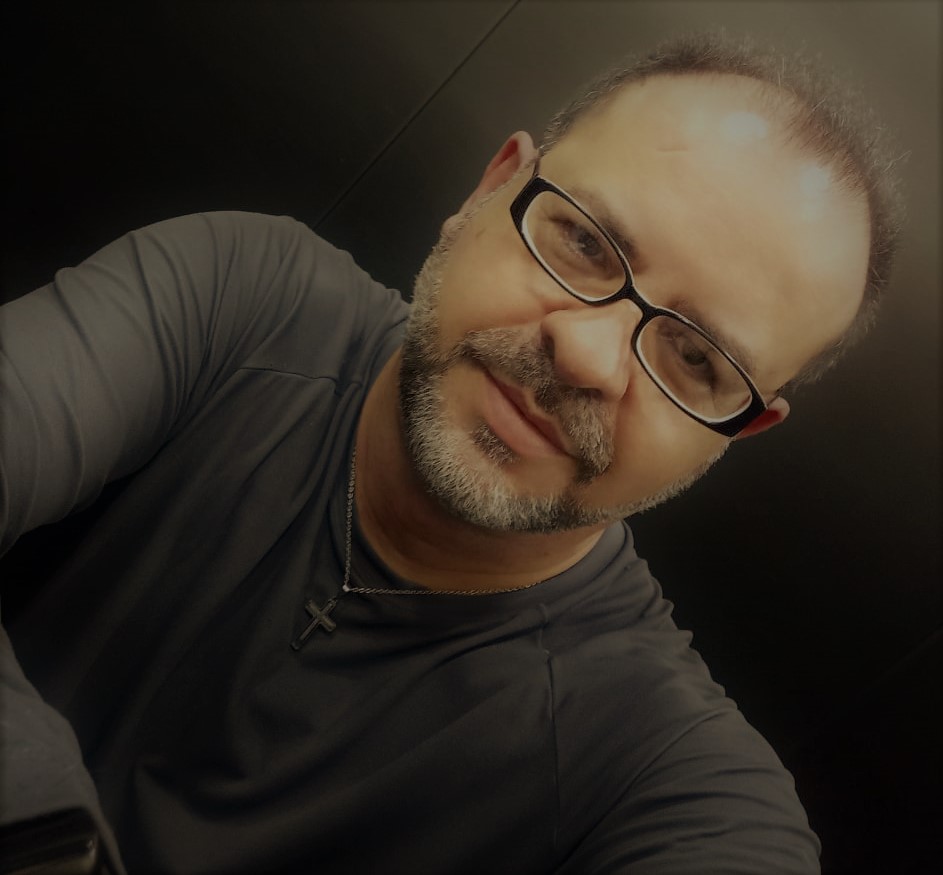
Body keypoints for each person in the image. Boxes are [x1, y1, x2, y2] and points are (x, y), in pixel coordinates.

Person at [0, 32, 901, 874]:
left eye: (696, 359)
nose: (587, 356)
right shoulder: (242, 298)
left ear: (737, 431)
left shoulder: (661, 767)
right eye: (583, 242)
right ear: (490, 189)